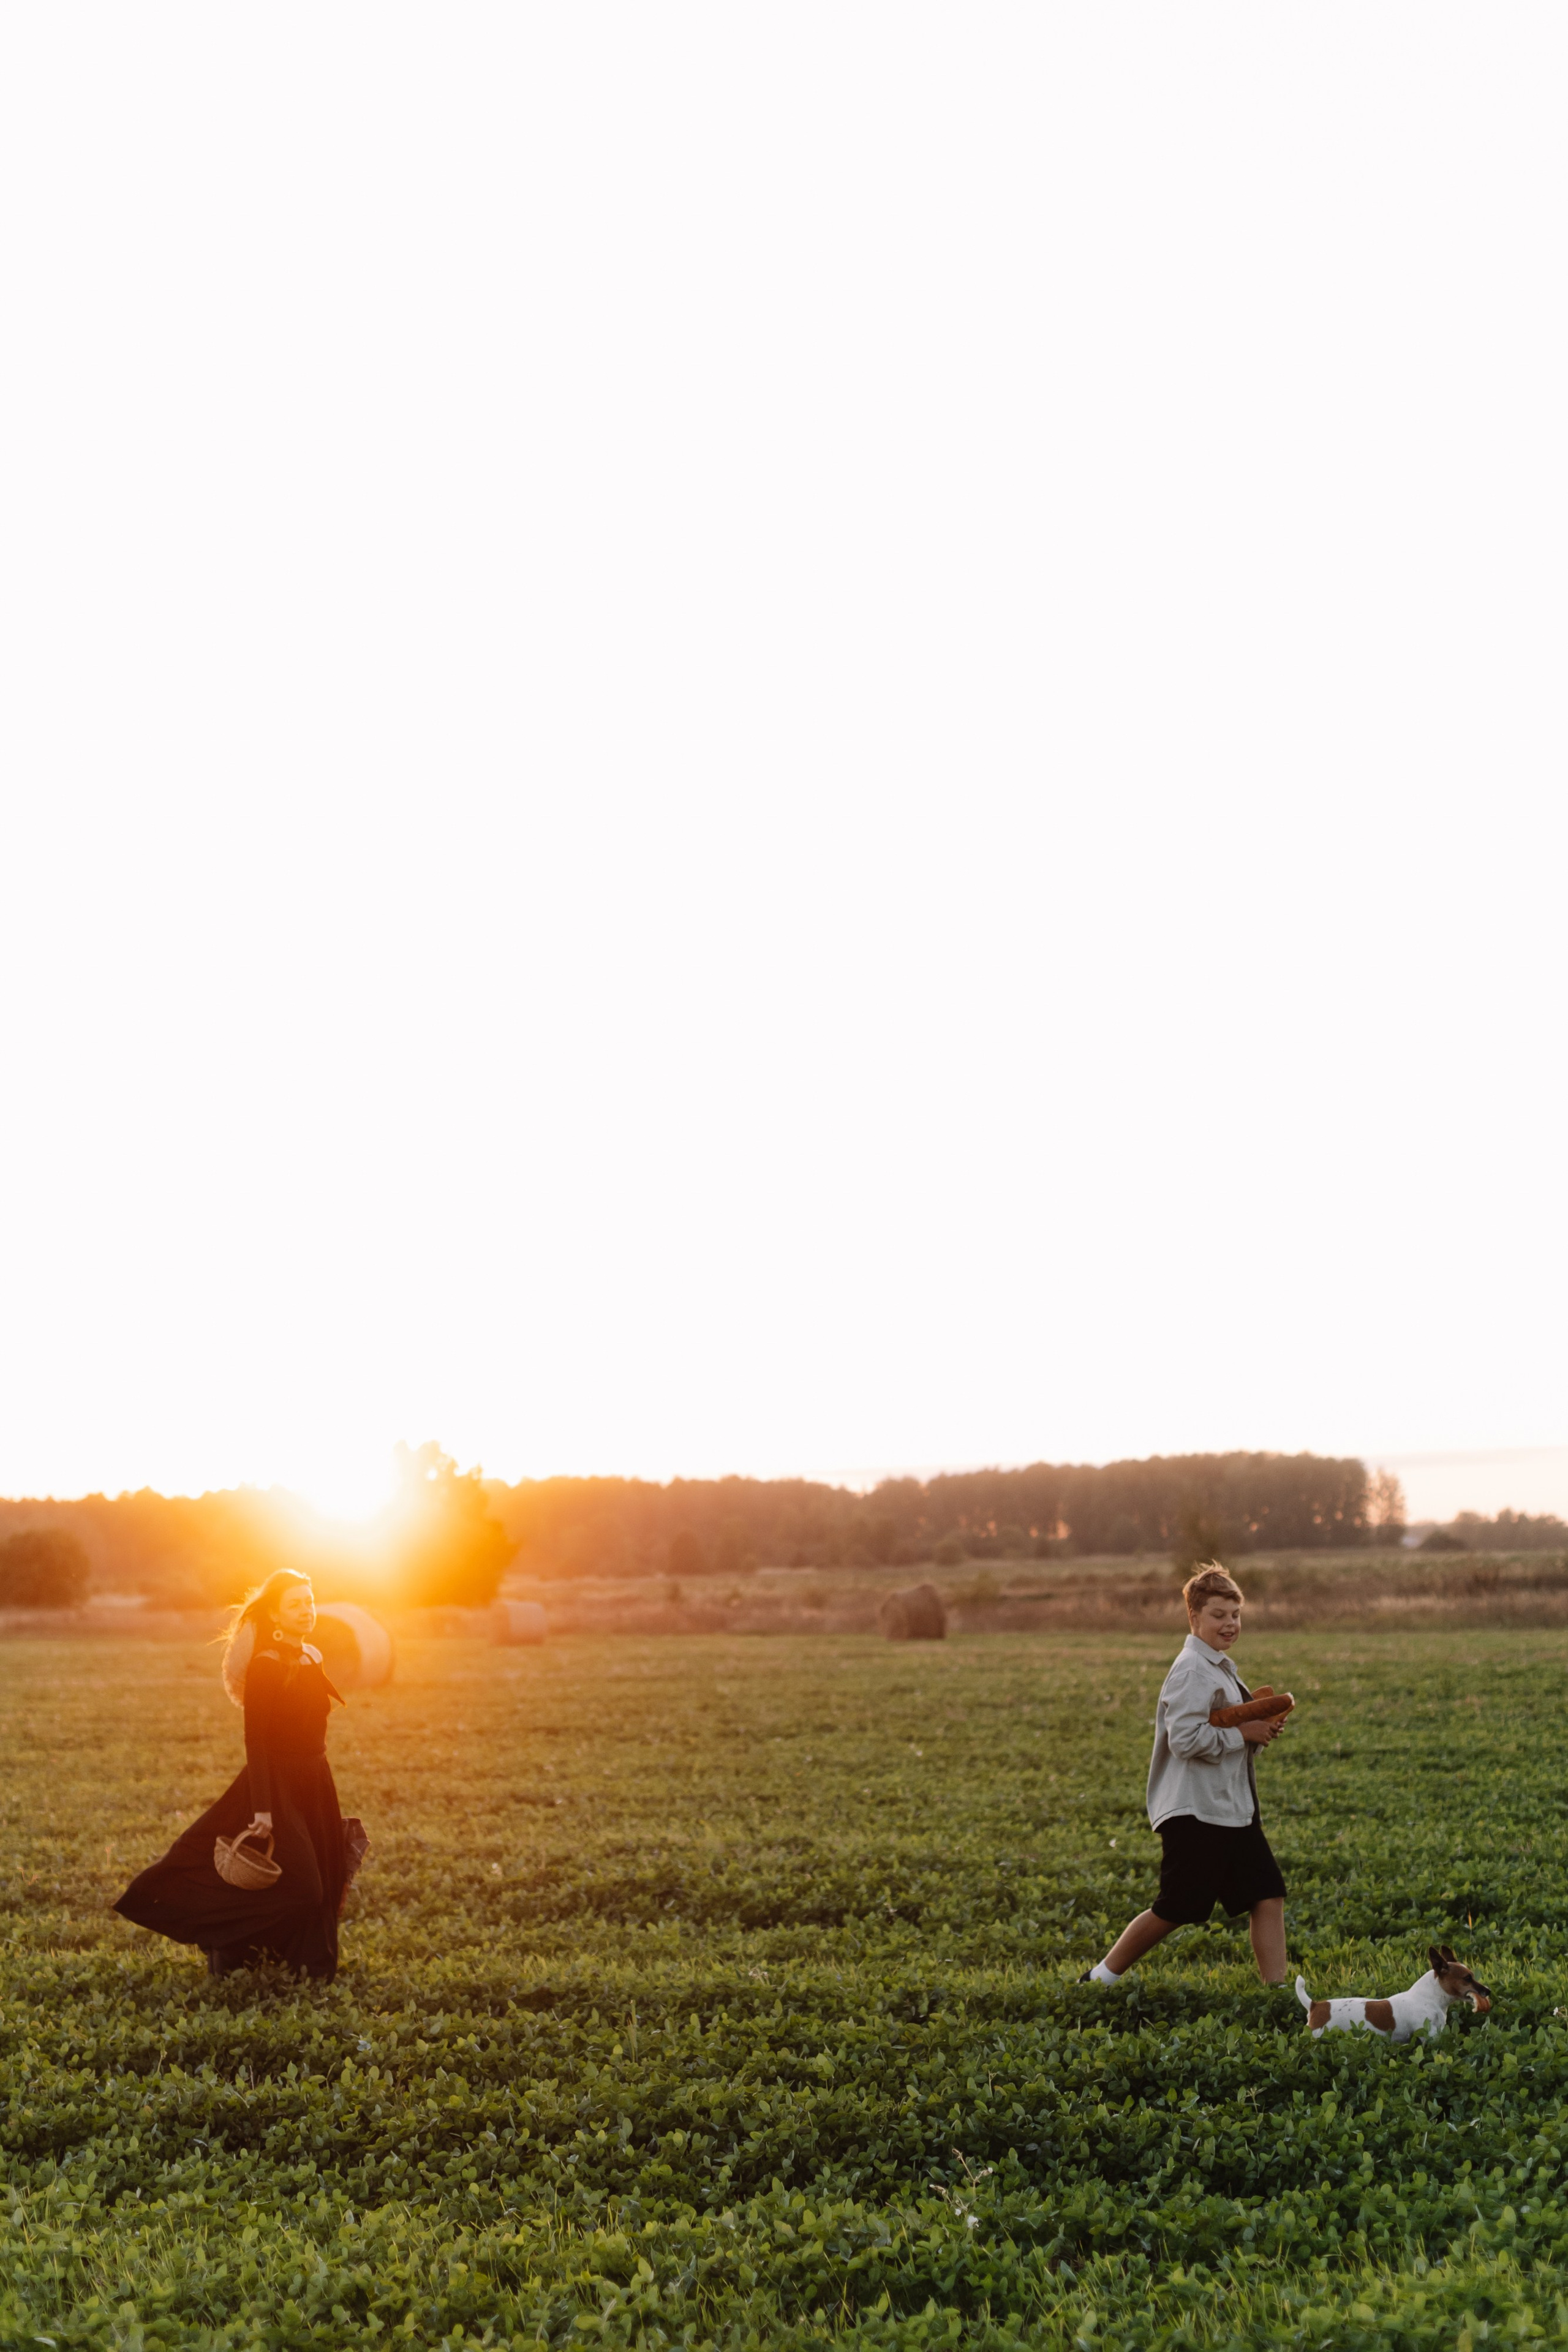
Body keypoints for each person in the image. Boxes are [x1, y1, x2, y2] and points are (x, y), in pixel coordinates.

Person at [113, 1569, 357, 1982]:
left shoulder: (312, 1656)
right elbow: (256, 1742)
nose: (306, 1611)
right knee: (306, 1886)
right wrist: (262, 1808)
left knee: (327, 1877)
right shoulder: (265, 1666)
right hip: (276, 1784)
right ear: (275, 1616)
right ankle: (226, 1941)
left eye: (309, 1602)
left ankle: (308, 1968)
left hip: (317, 1780)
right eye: (294, 1605)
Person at [1084, 1563, 1289, 1986]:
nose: (1230, 1624)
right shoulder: (1192, 1670)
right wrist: (1241, 1733)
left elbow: (1221, 1728)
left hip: (1231, 1808)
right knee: (1177, 1907)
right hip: (1197, 1811)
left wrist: (1257, 1731)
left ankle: (1278, 1992)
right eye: (1219, 1615)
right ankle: (1101, 1977)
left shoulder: (1219, 1666)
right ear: (1194, 1617)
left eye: (1235, 1615)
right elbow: (1186, 1740)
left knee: (1267, 1894)